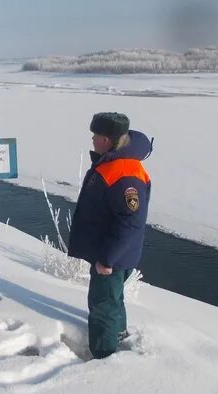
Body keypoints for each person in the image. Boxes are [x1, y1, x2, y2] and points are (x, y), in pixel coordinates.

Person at [68, 112, 153, 359]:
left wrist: (107, 259)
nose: (92, 140)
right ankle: (119, 333)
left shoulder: (123, 172)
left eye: (96, 136)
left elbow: (130, 222)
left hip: (112, 256)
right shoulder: (116, 162)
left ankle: (104, 355)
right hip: (114, 252)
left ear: (107, 139)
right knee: (113, 298)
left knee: (103, 304)